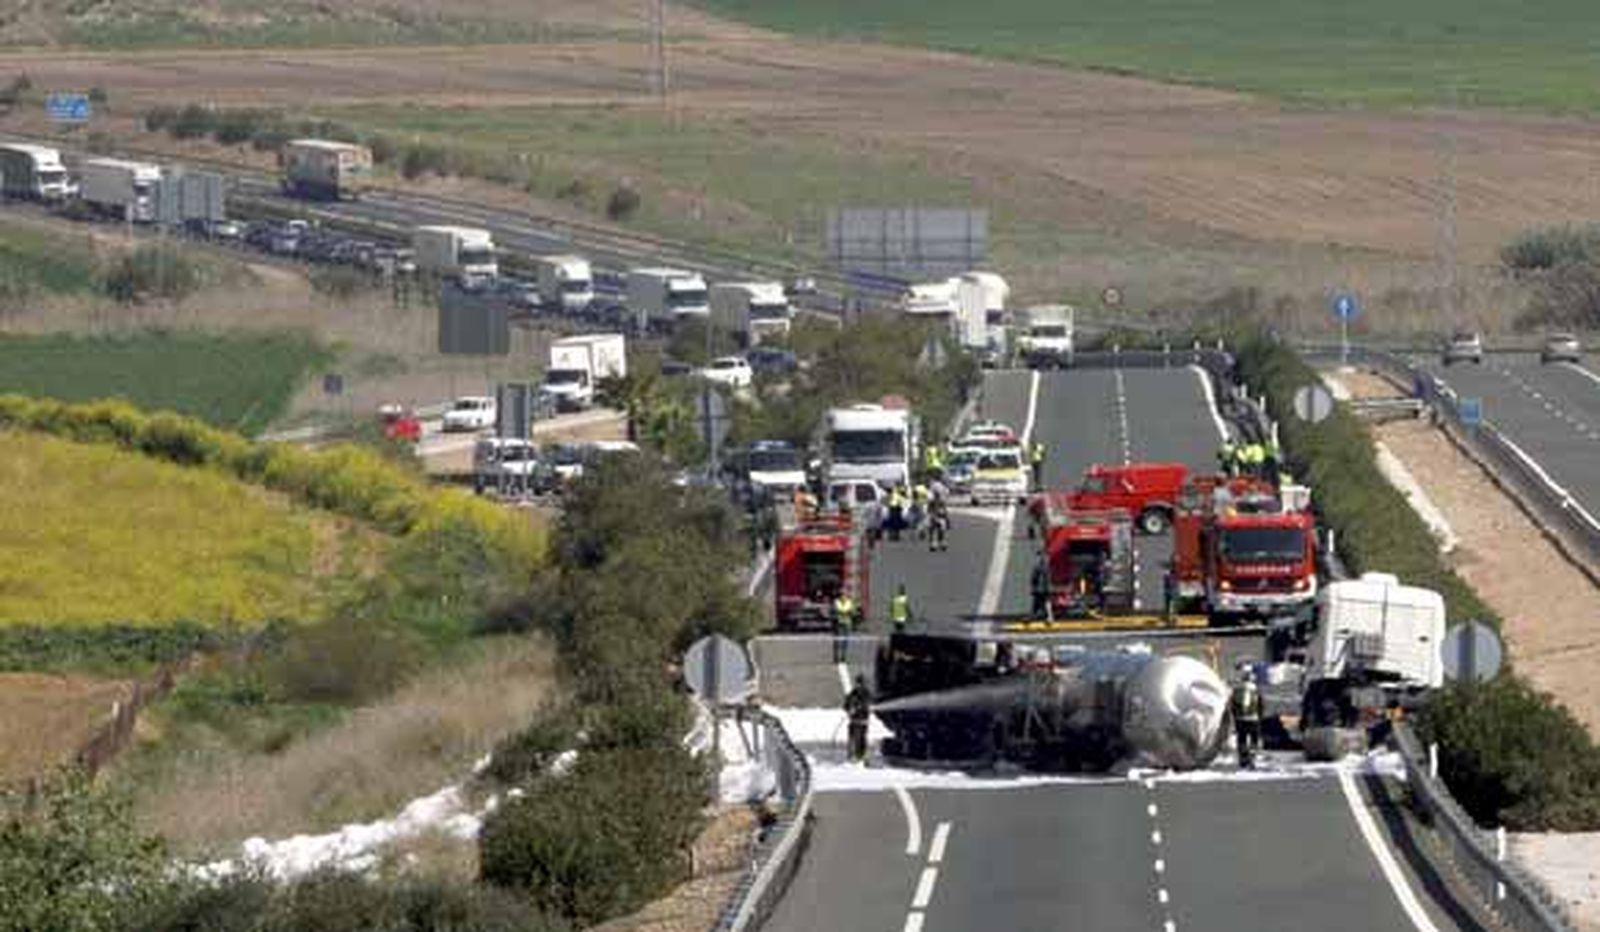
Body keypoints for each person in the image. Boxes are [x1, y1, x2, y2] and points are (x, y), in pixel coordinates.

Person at [1231, 667, 1263, 769]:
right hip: (1254, 719)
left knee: (1242, 739)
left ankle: (1243, 759)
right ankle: (1252, 759)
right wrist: (1260, 717)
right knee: (1254, 739)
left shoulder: (1237, 689)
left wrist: (1235, 716)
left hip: (1240, 719)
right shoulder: (1256, 690)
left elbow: (1232, 705)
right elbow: (1261, 705)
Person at [844, 675, 872, 763]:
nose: (858, 685)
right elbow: (846, 705)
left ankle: (862, 756)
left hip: (863, 721)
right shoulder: (852, 693)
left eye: (860, 683)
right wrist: (849, 709)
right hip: (853, 721)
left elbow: (868, 704)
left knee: (861, 738)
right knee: (852, 738)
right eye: (857, 683)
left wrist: (858, 707)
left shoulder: (867, 694)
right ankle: (852, 756)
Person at [832, 590, 857, 664]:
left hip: (847, 623)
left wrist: (847, 612)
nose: (843, 596)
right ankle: (836, 658)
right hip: (839, 624)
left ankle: (843, 658)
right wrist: (845, 612)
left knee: (845, 642)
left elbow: (853, 612)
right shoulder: (836, 602)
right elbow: (836, 611)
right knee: (838, 641)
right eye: (842, 594)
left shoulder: (849, 602)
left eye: (844, 594)